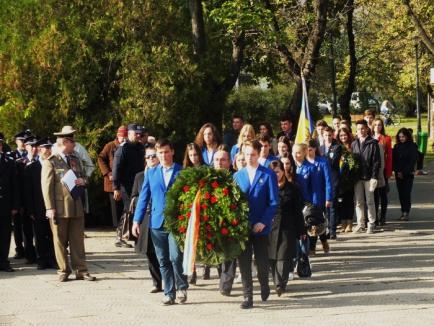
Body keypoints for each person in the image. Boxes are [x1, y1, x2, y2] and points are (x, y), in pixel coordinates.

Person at [132, 139, 188, 306]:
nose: (163, 155)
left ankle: (182, 287)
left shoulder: (182, 172)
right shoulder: (151, 172)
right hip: (156, 222)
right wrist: (136, 220)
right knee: (162, 259)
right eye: (160, 153)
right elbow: (144, 197)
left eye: (166, 152)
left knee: (176, 257)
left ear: (172, 152)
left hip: (175, 222)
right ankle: (169, 293)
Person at [41, 133, 96, 282]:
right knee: (59, 240)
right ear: (65, 143)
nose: (75, 145)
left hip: (76, 205)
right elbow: (47, 187)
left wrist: (83, 181)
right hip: (59, 207)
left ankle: (81, 270)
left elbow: (84, 176)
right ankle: (63, 270)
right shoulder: (50, 162)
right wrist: (49, 208)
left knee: (78, 240)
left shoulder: (75, 159)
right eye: (73, 143)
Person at [234, 140, 279, 309]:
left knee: (261, 261)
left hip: (261, 226)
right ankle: (248, 296)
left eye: (253, 154)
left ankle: (264, 283)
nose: (250, 158)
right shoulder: (238, 176)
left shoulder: (268, 174)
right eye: (246, 154)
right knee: (244, 262)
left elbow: (273, 202)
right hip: (243, 227)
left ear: (259, 154)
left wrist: (263, 222)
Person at [268, 160, 305, 296]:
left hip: (287, 228)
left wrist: (301, 230)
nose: (275, 174)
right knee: (272, 258)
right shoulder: (267, 187)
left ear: (283, 171)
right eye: (272, 172)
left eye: (277, 171)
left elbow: (297, 211)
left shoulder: (293, 188)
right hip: (270, 228)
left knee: (283, 258)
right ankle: (277, 282)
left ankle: (280, 284)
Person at [130, 145, 162, 293]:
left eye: (153, 156)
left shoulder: (163, 174)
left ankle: (169, 280)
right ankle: (157, 282)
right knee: (150, 252)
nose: (151, 159)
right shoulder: (140, 176)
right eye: (148, 157)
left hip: (160, 217)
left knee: (163, 252)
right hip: (145, 218)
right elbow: (134, 197)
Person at [23, 137, 56, 270]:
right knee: (40, 234)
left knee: (53, 234)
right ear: (39, 150)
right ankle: (42, 259)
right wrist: (30, 210)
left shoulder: (56, 164)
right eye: (44, 148)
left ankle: (53, 259)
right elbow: (28, 191)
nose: (47, 151)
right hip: (38, 207)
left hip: (53, 206)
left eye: (49, 148)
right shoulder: (31, 167)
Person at [112, 124, 145, 248]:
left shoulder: (140, 147)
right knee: (127, 210)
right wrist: (116, 187)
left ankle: (135, 235)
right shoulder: (123, 149)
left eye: (139, 134)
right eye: (135, 133)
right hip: (126, 185)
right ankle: (120, 236)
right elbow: (116, 169)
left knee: (136, 209)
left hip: (138, 184)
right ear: (129, 134)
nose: (138, 136)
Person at [181, 142, 209, 284]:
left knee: (202, 239)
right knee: (190, 239)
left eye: (196, 154)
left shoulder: (206, 169)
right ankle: (192, 270)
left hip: (203, 207)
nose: (194, 158)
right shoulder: (184, 171)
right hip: (189, 209)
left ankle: (206, 264)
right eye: (191, 155)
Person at [213, 147, 237, 296]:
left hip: (231, 222)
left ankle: (226, 283)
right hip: (213, 222)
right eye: (216, 160)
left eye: (223, 160)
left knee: (229, 254)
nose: (219, 162)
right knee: (216, 253)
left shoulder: (236, 178)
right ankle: (222, 277)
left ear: (229, 162)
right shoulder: (208, 178)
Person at [351, 119, 381, 234]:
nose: (361, 131)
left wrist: (374, 176)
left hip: (369, 177)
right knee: (358, 202)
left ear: (367, 129)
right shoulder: (354, 143)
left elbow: (376, 162)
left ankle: (371, 223)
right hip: (357, 177)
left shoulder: (373, 143)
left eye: (363, 128)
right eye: (358, 129)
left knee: (370, 201)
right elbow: (352, 160)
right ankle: (360, 223)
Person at [12, 130, 36, 263]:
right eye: (21, 140)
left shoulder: (32, 155)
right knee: (17, 226)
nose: (24, 143)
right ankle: (19, 249)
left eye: (26, 141)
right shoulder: (12, 156)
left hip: (30, 198)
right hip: (18, 197)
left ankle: (30, 251)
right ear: (16, 141)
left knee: (29, 226)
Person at [97, 126, 127, 228]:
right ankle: (117, 229)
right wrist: (108, 173)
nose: (125, 139)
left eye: (126, 136)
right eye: (123, 136)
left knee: (125, 207)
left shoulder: (128, 146)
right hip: (112, 183)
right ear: (118, 136)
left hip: (125, 183)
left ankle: (124, 229)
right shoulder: (110, 146)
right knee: (115, 209)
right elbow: (100, 158)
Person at [306, 140, 332, 253]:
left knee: (317, 222)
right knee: (312, 222)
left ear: (315, 149)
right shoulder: (303, 163)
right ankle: (323, 241)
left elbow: (328, 181)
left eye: (310, 149)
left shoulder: (323, 162)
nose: (308, 152)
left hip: (320, 198)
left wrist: (328, 197)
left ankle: (312, 248)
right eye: (306, 150)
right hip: (307, 198)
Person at [0, 134, 19, 272]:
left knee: (5, 234)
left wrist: (14, 205)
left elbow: (14, 185)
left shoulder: (9, 161)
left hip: (6, 204)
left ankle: (4, 261)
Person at [320, 127, 342, 239]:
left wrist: (323, 158)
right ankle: (327, 228)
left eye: (329, 135)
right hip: (322, 180)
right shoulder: (320, 148)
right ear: (322, 136)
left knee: (332, 206)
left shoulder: (337, 147)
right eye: (325, 135)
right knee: (325, 207)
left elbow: (332, 163)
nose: (328, 137)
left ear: (332, 135)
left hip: (333, 180)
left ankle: (333, 230)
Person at [393, 128, 418, 221]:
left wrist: (404, 172)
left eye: (403, 137)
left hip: (408, 174)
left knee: (406, 193)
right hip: (398, 174)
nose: (401, 139)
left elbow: (412, 161)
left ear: (407, 136)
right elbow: (394, 161)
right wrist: (398, 171)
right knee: (401, 194)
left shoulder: (412, 146)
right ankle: (403, 211)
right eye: (399, 137)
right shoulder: (396, 146)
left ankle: (406, 212)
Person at [336, 128, 357, 233]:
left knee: (349, 202)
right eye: (341, 136)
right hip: (339, 181)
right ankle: (343, 222)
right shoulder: (337, 147)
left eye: (345, 135)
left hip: (349, 181)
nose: (343, 137)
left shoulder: (352, 147)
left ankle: (349, 223)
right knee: (341, 202)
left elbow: (353, 165)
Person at [372, 118, 392, 225]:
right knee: (374, 195)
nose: (377, 127)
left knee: (383, 194)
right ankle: (374, 217)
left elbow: (389, 156)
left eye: (379, 125)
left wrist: (388, 171)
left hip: (383, 170)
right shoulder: (370, 138)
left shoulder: (386, 139)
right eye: (375, 125)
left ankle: (383, 216)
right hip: (373, 171)